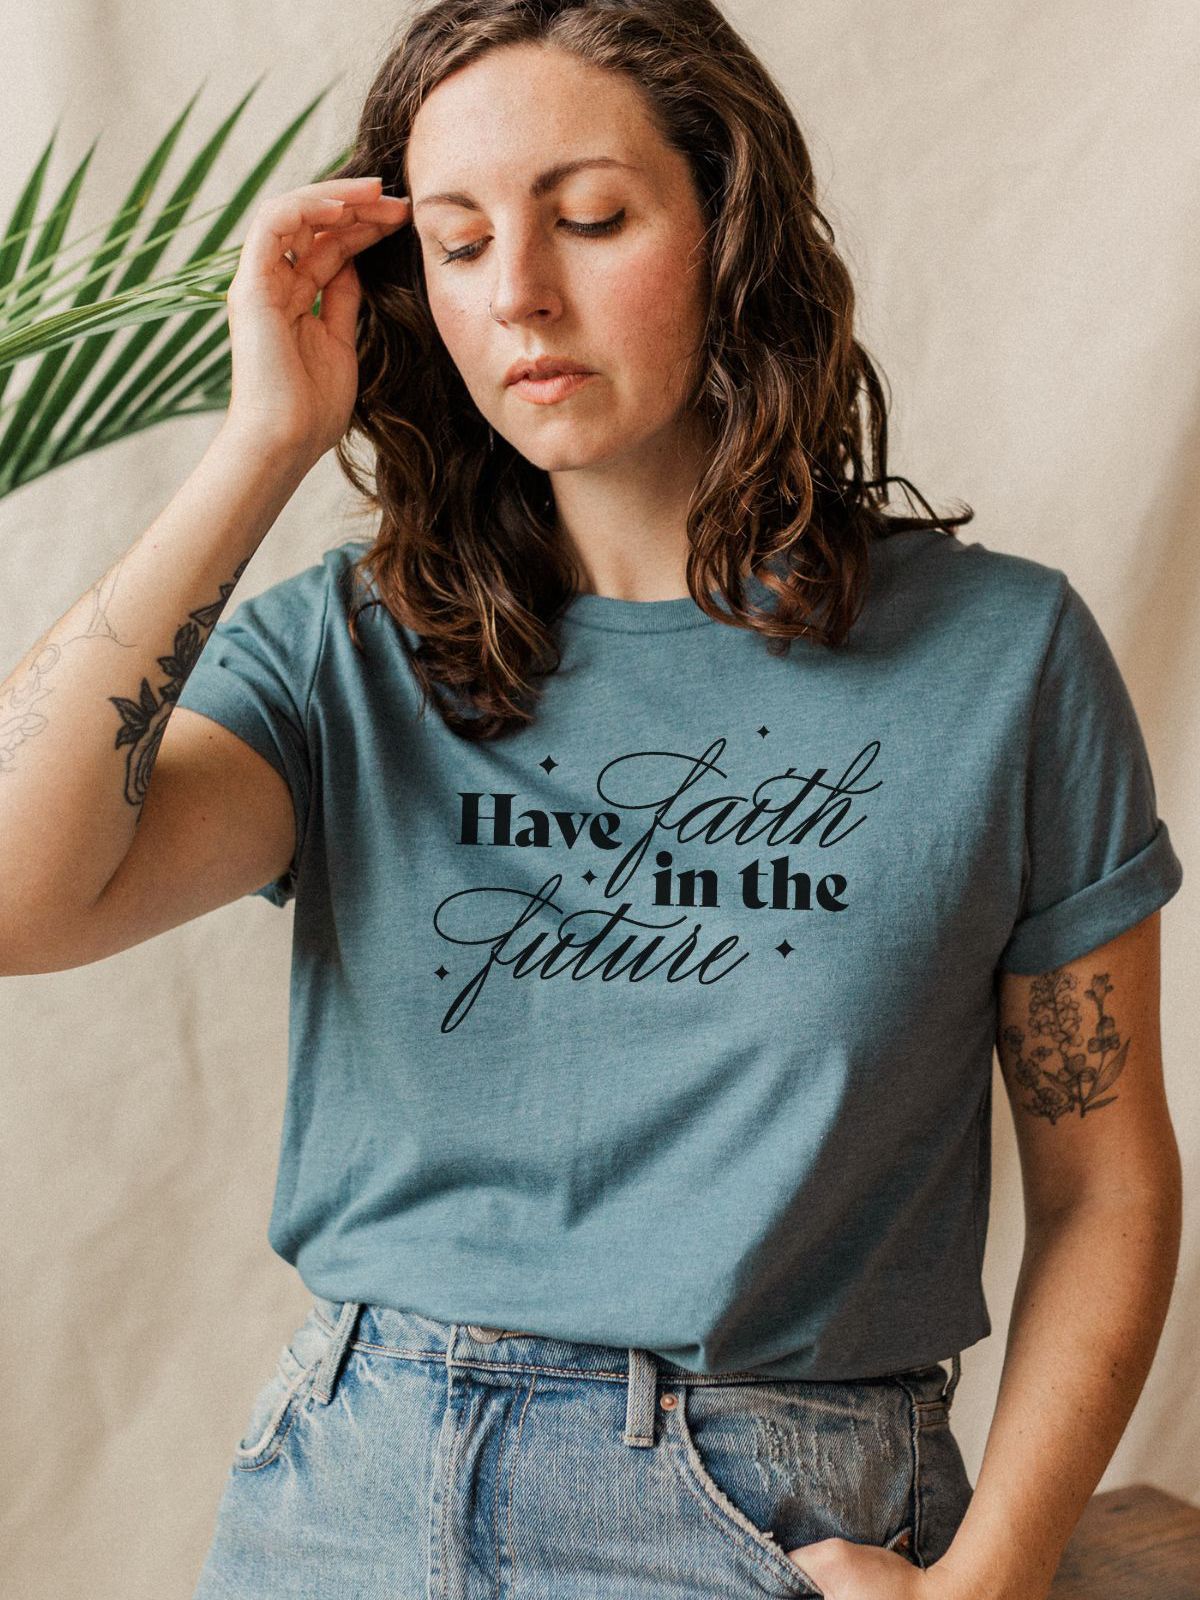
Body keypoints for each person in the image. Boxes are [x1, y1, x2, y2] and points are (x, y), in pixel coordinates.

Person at [0, 2, 1184, 1597]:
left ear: (731, 228)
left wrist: (987, 1583)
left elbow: (1106, 1181)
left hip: (768, 1504)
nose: (523, 296)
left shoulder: (1001, 659)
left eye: (594, 218)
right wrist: (264, 441)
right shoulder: (351, 656)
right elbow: (16, 900)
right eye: (465, 243)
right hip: (347, 1491)